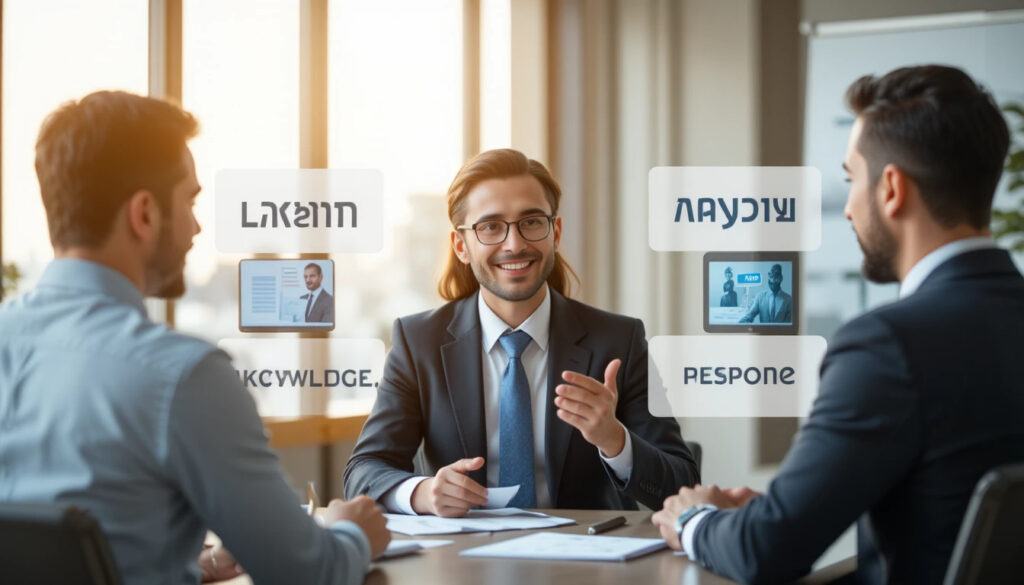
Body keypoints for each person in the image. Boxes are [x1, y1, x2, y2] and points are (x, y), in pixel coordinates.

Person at [653, 65, 1024, 585]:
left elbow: (766, 552)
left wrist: (693, 520)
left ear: (891, 188)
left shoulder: (887, 346)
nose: (848, 208)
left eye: (852, 180)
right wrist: (778, 512)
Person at [0, 91, 389, 584]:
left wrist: (187, 564)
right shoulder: (183, 376)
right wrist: (353, 532)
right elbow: (307, 572)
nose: (197, 226)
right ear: (144, 214)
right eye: (189, 200)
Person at [344, 148, 698, 516]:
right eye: (490, 227)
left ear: (555, 233)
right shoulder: (418, 342)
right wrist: (424, 492)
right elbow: (364, 470)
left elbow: (683, 483)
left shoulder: (618, 341)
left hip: (584, 548)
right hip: (464, 549)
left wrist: (614, 439)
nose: (514, 244)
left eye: (531, 222)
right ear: (461, 246)